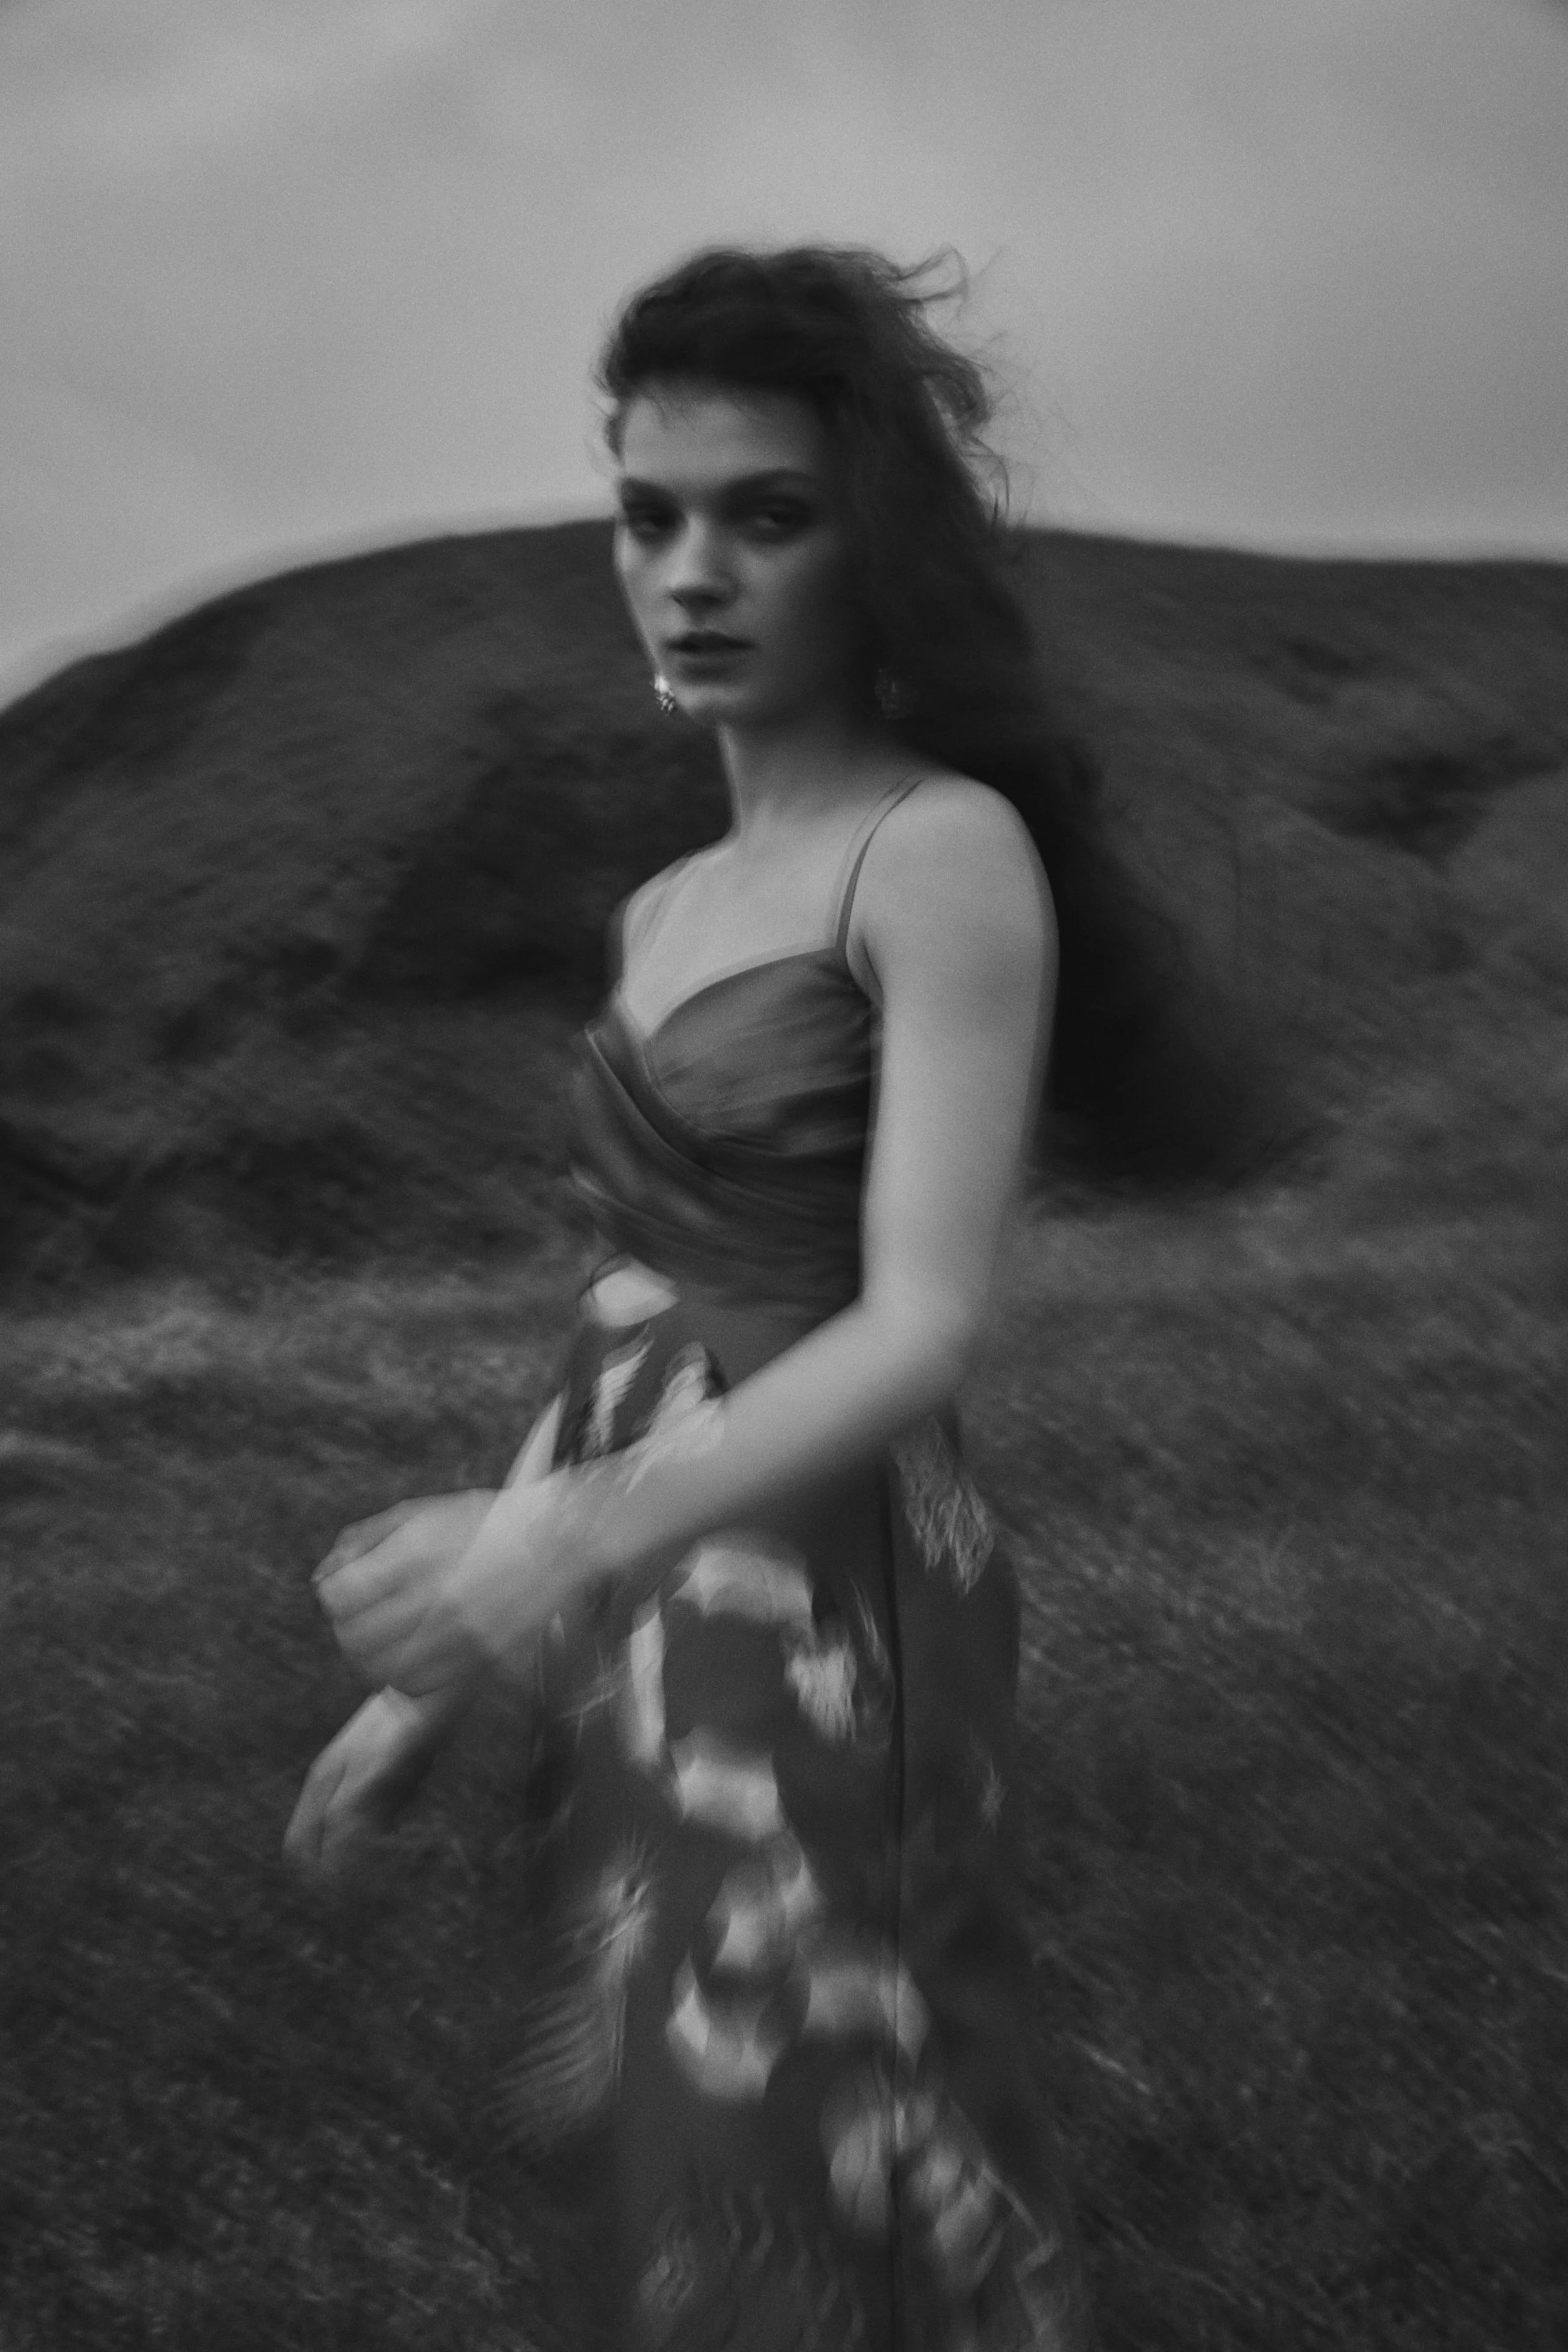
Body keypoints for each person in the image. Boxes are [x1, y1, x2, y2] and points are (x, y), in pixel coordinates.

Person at [287, 245, 1238, 2351]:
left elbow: (921, 1324)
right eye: (651, 514)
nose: (692, 569)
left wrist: (545, 1539)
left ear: (868, 540)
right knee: (661, 2103)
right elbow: (636, 1305)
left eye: (765, 514)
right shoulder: (659, 905)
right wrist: (430, 1680)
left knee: (834, 2105)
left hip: (832, 1595)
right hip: (645, 1575)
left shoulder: (937, 849)